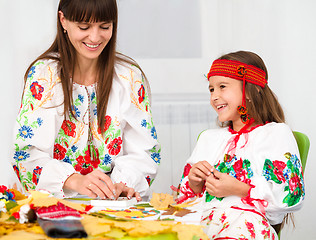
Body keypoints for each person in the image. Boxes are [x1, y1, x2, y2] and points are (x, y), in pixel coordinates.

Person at [11, 0, 160, 201]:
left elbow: (145, 151)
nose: (95, 37)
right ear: (63, 20)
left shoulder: (128, 77)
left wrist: (122, 184)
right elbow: (27, 154)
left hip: (115, 207)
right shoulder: (44, 76)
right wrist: (72, 180)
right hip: (57, 205)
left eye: (105, 26)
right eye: (84, 27)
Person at [176, 51, 305, 239]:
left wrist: (240, 189)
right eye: (211, 89)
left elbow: (292, 196)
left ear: (251, 90)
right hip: (202, 224)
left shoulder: (275, 134)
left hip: (245, 226)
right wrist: (194, 183)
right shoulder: (208, 138)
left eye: (222, 87)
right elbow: (184, 200)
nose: (214, 96)